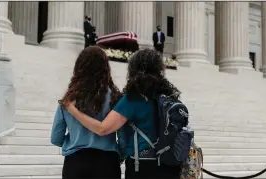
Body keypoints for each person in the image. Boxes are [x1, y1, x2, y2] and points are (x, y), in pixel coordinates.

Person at [63, 49, 182, 179]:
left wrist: (73, 110)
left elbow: (103, 129)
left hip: (143, 166)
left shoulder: (133, 99)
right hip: (170, 164)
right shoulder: (168, 97)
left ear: (133, 69)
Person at [51, 46, 122, 179]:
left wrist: (75, 139)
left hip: (75, 163)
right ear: (105, 68)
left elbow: (56, 138)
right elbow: (123, 137)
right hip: (107, 163)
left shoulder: (69, 99)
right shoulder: (116, 97)